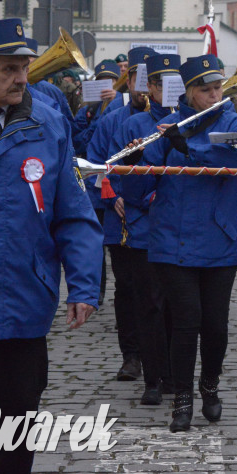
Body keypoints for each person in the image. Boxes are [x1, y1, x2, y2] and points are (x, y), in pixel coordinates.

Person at [0, 18, 102, 473]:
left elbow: (75, 213)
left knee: (15, 436)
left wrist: (83, 285)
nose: (23, 78)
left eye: (25, 66)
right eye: (9, 69)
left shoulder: (49, 125)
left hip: (24, 306)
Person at [121, 54, 237, 432]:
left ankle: (209, 385)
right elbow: (138, 192)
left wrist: (188, 149)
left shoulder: (236, 122)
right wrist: (134, 163)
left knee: (215, 325)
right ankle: (181, 397)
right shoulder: (167, 126)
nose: (213, 96)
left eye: (217, 88)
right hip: (171, 241)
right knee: (185, 321)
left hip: (219, 238)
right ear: (190, 93)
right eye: (205, 90)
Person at [109, 53, 181, 405]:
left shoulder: (190, 122)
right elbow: (118, 177)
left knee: (178, 307)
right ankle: (153, 377)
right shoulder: (132, 126)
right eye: (162, 84)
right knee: (148, 305)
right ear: (150, 87)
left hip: (180, 227)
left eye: (175, 84)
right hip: (144, 226)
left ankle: (174, 374)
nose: (169, 91)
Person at [88, 46, 155, 383]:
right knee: (126, 288)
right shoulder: (112, 119)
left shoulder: (169, 118)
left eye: (151, 79)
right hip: (121, 217)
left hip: (158, 217)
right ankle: (131, 355)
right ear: (128, 81)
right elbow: (97, 166)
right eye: (138, 78)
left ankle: (159, 356)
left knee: (158, 290)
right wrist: (112, 194)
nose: (143, 87)